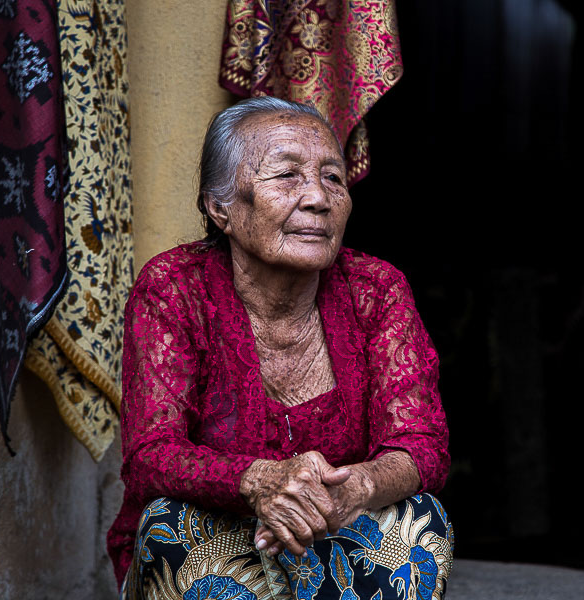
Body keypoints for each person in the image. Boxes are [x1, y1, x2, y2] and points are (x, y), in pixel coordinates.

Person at [106, 97, 454, 600]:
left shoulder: (376, 289)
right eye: (287, 176)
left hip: (338, 531)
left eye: (333, 178)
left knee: (421, 517)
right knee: (172, 524)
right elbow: (151, 454)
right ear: (219, 207)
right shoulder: (174, 288)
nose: (318, 197)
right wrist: (261, 481)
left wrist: (356, 486)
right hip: (217, 535)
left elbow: (422, 444)